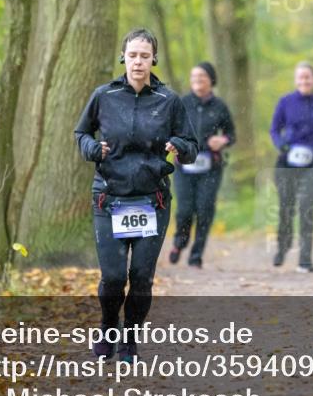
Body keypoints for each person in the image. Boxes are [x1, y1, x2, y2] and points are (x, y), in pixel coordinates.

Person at [74, 28, 198, 361]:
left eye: (145, 56)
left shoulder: (168, 101)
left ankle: (130, 338)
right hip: (109, 197)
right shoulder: (104, 95)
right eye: (133, 55)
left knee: (141, 278)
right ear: (123, 57)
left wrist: (179, 146)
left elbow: (192, 146)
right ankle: (107, 326)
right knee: (113, 277)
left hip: (151, 200)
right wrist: (91, 149)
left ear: (153, 59)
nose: (138, 62)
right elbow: (81, 132)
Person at [269, 61, 313, 273]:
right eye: (300, 77)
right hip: (287, 163)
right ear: (296, 80)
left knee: (306, 207)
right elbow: (274, 130)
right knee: (286, 209)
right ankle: (283, 245)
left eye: (308, 77)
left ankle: (305, 259)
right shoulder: (285, 102)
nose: (304, 81)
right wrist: (282, 145)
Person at [168, 62, 236, 268]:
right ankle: (180, 242)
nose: (197, 80)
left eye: (202, 76)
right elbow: (169, 129)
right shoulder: (182, 103)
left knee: (205, 209)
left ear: (211, 80)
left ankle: (196, 255)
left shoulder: (220, 106)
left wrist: (222, 141)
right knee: (185, 210)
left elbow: (231, 134)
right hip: (183, 166)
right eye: (194, 76)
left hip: (210, 167)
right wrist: (174, 143)